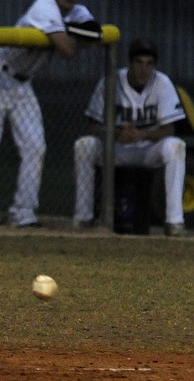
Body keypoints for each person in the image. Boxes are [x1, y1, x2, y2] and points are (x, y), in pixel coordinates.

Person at [0, 0, 101, 227]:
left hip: (23, 82)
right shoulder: (44, 5)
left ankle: (23, 213)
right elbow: (67, 49)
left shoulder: (77, 11)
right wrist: (74, 37)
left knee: (35, 147)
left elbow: (94, 34)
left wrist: (76, 35)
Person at [73, 37, 187, 237]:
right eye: (139, 62)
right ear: (130, 63)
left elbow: (169, 130)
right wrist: (117, 134)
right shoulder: (111, 81)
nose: (144, 69)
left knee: (176, 146)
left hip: (147, 150)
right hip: (114, 148)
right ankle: (83, 217)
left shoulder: (162, 82)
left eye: (149, 63)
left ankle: (174, 222)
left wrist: (141, 134)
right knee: (84, 145)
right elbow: (93, 126)